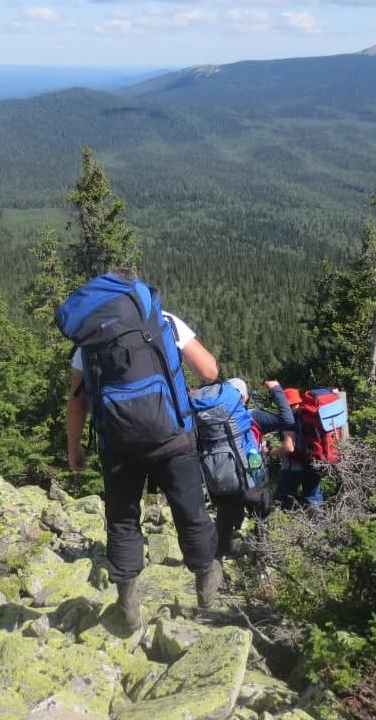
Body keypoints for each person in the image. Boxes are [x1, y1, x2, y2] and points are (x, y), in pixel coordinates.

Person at [64, 270, 223, 632]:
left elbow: (77, 404)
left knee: (122, 519)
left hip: (118, 445)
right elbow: (210, 371)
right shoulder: (164, 320)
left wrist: (75, 447)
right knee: (191, 512)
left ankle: (129, 603)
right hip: (173, 437)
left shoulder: (89, 340)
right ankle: (206, 587)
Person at [212, 378, 296, 559]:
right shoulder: (253, 416)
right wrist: (276, 390)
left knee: (224, 523)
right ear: (246, 397)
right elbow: (286, 420)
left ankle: (217, 566)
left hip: (223, 482)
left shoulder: (213, 418)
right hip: (252, 482)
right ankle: (261, 561)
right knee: (262, 518)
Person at [277, 387, 325, 509]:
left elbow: (289, 448)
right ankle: (320, 524)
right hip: (314, 462)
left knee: (282, 498)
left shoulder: (290, 419)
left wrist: (273, 452)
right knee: (313, 497)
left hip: (294, 464)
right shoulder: (312, 414)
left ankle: (282, 524)